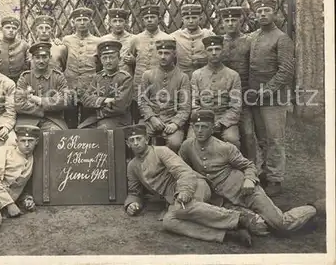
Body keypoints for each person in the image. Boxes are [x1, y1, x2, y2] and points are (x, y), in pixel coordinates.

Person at [179, 110, 323, 235]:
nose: (199, 131)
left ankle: (315, 208)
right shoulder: (187, 147)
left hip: (246, 191)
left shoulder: (225, 148)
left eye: (204, 127)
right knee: (258, 227)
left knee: (281, 225)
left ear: (212, 128)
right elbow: (181, 169)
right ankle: (299, 221)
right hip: (225, 200)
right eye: (196, 127)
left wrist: (249, 180)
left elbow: (249, 166)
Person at [123, 124, 265, 247]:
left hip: (195, 185)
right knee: (168, 222)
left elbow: (184, 172)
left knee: (181, 210)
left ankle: (239, 218)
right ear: (127, 144)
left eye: (139, 139)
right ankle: (228, 234)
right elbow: (134, 192)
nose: (136, 143)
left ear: (146, 139)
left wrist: (184, 191)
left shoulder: (161, 151)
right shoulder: (132, 166)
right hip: (176, 200)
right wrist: (131, 204)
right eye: (132, 140)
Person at [247, 0, 296, 196]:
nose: (263, 14)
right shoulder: (253, 37)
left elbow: (286, 70)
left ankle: (276, 179)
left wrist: (267, 90)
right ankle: (266, 172)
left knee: (276, 138)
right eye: (259, 11)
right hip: (254, 97)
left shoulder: (282, 38)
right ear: (255, 14)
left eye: (267, 10)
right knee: (262, 138)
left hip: (274, 98)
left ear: (275, 13)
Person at [219, 6, 258, 165]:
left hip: (244, 94)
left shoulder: (249, 41)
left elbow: (255, 66)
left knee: (248, 134)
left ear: (240, 21)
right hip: (223, 96)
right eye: (227, 20)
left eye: (233, 20)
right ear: (222, 22)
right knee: (227, 135)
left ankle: (252, 167)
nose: (230, 23)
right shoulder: (218, 42)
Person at [188, 35, 242, 149]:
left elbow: (235, 106)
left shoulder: (233, 75)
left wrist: (222, 122)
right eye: (210, 50)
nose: (214, 53)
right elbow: (194, 103)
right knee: (191, 141)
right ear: (205, 52)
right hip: (201, 119)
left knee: (232, 139)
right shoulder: (197, 75)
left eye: (217, 49)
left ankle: (230, 165)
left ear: (222, 51)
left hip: (224, 119)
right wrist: (204, 121)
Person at [138, 39, 190, 152]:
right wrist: (152, 118)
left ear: (174, 54)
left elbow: (185, 107)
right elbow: (142, 101)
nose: (162, 56)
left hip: (172, 119)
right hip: (150, 120)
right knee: (138, 141)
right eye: (160, 53)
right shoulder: (147, 75)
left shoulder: (182, 77)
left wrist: (175, 124)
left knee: (174, 143)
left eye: (167, 53)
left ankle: (169, 168)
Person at [125, 5, 171, 123]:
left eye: (152, 17)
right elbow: (130, 59)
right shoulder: (136, 39)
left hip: (160, 84)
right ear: (143, 20)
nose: (149, 20)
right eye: (146, 17)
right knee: (138, 115)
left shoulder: (167, 38)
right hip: (139, 84)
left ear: (159, 19)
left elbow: (172, 63)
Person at [0, 125, 41, 218]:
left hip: (2, 203)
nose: (26, 144)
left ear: (36, 142)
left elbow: (20, 186)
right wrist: (9, 204)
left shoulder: (32, 159)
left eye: (30, 141)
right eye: (23, 141)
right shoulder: (4, 151)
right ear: (16, 141)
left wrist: (26, 199)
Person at [59, 7, 102, 128]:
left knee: (88, 120)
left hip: (90, 86)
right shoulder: (67, 40)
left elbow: (99, 64)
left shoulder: (98, 41)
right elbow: (63, 61)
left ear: (90, 21)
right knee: (69, 119)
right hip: (70, 85)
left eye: (85, 19)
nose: (82, 23)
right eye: (79, 20)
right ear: (73, 22)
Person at [15, 42, 69, 131]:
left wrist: (40, 100)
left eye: (44, 57)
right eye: (37, 57)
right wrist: (45, 109)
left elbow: (65, 100)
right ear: (32, 58)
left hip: (52, 120)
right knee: (24, 137)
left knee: (55, 134)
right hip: (27, 120)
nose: (41, 61)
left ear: (50, 58)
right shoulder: (25, 77)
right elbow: (19, 104)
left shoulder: (58, 77)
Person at [79, 40, 133, 129]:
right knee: (81, 130)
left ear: (119, 59)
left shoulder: (125, 78)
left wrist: (97, 104)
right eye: (105, 58)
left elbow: (120, 106)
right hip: (97, 118)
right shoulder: (98, 77)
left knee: (102, 130)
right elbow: (86, 99)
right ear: (101, 60)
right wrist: (105, 100)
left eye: (111, 57)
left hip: (119, 119)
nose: (108, 61)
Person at [168, 4, 215, 79]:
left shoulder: (208, 35)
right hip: (181, 78)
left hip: (204, 78)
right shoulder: (174, 37)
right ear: (182, 20)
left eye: (194, 18)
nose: (190, 21)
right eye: (187, 18)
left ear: (200, 19)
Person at [0, 16, 30, 82]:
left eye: (14, 28)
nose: (11, 30)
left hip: (19, 81)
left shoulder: (24, 45)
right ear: (1, 29)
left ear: (17, 30)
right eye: (7, 27)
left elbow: (29, 64)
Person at [101, 8, 135, 76]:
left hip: (127, 78)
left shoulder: (133, 39)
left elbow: (141, 60)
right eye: (114, 21)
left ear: (126, 22)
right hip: (108, 77)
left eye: (120, 21)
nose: (118, 24)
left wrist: (134, 61)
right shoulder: (103, 40)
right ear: (110, 23)